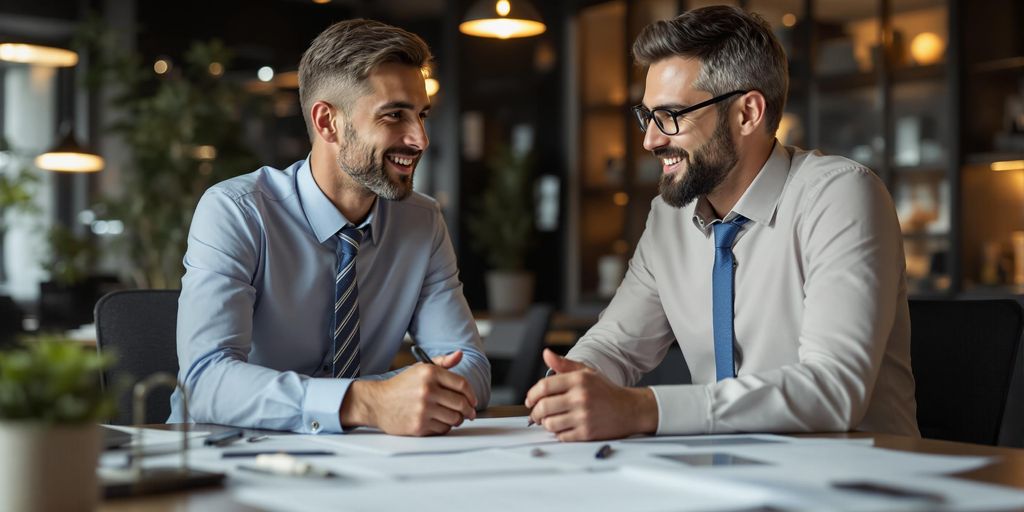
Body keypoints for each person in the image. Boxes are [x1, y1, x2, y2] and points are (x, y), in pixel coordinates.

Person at [526, 5, 918, 441]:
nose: (650, 140)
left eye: (671, 116)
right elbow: (615, 344)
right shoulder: (668, 217)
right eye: (648, 116)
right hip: (723, 474)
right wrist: (566, 387)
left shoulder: (841, 195)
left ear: (747, 113)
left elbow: (833, 389)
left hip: (863, 485)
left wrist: (644, 409)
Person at [169, 19, 489, 436]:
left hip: (363, 459)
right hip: (222, 456)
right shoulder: (236, 211)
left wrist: (385, 401)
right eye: (395, 115)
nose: (420, 139)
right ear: (327, 123)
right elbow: (205, 381)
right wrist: (366, 401)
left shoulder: (421, 222)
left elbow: (471, 368)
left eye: (422, 116)